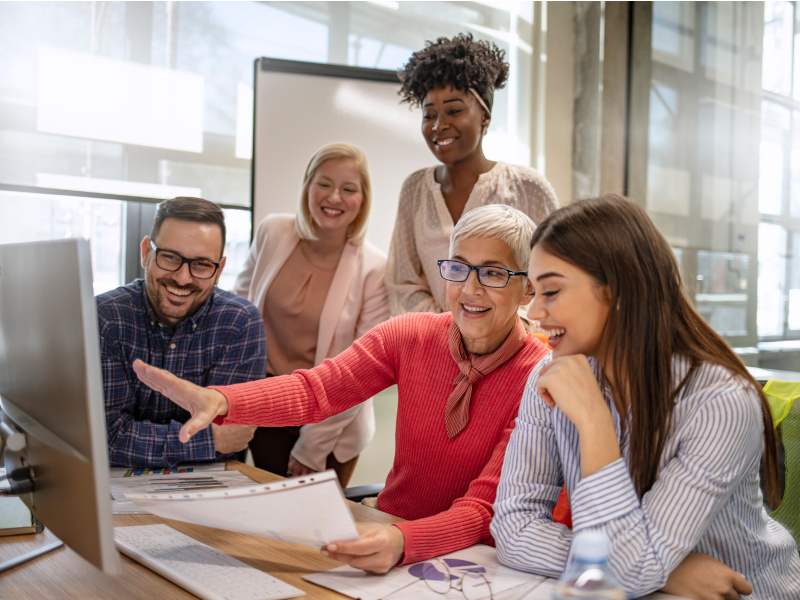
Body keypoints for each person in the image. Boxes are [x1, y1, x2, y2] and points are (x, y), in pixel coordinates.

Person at [132, 204, 570, 573]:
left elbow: (482, 511)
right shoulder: (410, 335)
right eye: (458, 268)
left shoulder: (539, 375)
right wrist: (224, 400)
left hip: (474, 561)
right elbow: (317, 390)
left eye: (492, 273)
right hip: (388, 529)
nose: (469, 289)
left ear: (528, 285)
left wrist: (402, 540)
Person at [491, 195, 800, 599]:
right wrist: (666, 571)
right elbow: (513, 528)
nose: (533, 311)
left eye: (550, 291)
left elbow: (632, 569)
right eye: (532, 292)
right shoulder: (550, 376)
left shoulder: (720, 402)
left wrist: (594, 421)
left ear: (617, 291)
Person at [232, 142, 389, 485]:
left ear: (363, 200)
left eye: (348, 189)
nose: (334, 197)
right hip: (267, 407)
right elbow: (236, 315)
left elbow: (362, 370)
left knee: (315, 532)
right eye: (324, 184)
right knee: (264, 525)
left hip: (332, 423)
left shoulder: (375, 268)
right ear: (307, 185)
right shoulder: (273, 231)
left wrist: (313, 446)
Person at [386, 32, 558, 316]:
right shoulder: (415, 189)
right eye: (429, 115)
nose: (439, 125)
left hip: (514, 350)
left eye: (454, 111)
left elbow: (551, 277)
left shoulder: (527, 187)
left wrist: (495, 334)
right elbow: (403, 282)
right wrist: (453, 331)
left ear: (485, 117)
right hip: (435, 347)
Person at [97, 196, 267, 468]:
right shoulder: (106, 318)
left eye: (201, 264)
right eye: (170, 257)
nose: (182, 278)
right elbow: (105, 437)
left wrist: (141, 439)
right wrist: (209, 440)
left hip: (207, 491)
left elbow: (235, 437)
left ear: (219, 269)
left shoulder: (240, 323)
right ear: (146, 253)